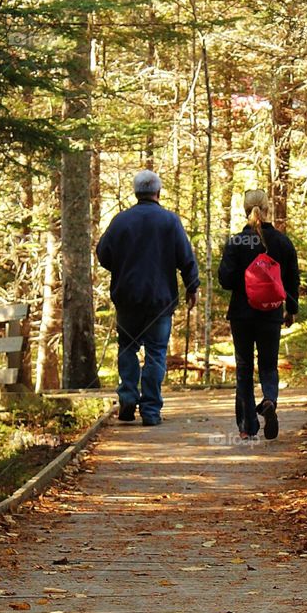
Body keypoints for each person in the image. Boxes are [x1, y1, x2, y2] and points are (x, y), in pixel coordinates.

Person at [96, 170, 200, 426]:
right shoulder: (169, 221)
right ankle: (151, 411)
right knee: (155, 354)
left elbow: (103, 254)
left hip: (127, 298)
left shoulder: (121, 221)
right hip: (160, 300)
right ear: (158, 192)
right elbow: (186, 257)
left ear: (136, 192)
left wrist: (122, 269)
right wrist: (192, 286)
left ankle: (129, 397)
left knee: (128, 348)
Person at [218, 188, 300, 440]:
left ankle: (247, 426)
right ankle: (269, 400)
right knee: (268, 364)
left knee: (244, 367)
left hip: (242, 314)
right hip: (271, 312)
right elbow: (292, 279)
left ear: (245, 210)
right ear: (267, 209)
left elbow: (225, 280)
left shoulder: (236, 242)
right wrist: (291, 309)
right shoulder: (282, 242)